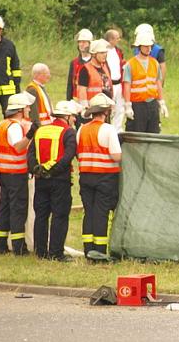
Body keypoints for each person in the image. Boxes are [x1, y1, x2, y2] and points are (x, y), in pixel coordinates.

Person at [28, 100, 79, 261]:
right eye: (73, 117)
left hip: (40, 179)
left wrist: (37, 169)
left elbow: (30, 153)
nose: (75, 120)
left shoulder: (41, 130)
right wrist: (53, 171)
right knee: (60, 216)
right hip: (59, 181)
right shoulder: (68, 132)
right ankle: (56, 253)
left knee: (41, 216)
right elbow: (68, 156)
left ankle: (40, 252)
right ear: (67, 116)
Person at [77, 93, 121, 260]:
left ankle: (88, 250)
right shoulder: (109, 129)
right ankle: (100, 252)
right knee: (101, 213)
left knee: (89, 212)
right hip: (105, 177)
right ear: (106, 112)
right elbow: (116, 156)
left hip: (86, 176)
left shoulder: (82, 129)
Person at [0, 91, 36, 255]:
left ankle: (0, 245)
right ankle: (19, 247)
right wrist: (30, 136)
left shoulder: (2, 124)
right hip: (16, 174)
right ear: (20, 110)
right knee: (18, 209)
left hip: (4, 173)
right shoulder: (16, 126)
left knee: (4, 208)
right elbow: (18, 146)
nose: (29, 110)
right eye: (27, 108)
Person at [122, 30, 168, 133]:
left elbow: (158, 83)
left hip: (152, 103)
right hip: (137, 105)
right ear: (139, 47)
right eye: (146, 46)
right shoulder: (131, 64)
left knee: (154, 133)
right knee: (137, 134)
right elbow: (127, 86)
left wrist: (162, 102)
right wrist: (127, 105)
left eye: (150, 46)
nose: (149, 49)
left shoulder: (154, 63)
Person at [77, 39, 113, 110]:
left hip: (106, 107)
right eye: (102, 53)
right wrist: (85, 108)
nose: (105, 55)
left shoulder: (105, 67)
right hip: (93, 108)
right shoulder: (85, 69)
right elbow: (82, 91)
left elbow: (109, 87)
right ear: (93, 54)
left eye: (105, 52)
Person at [104, 28, 126, 131]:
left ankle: (118, 128)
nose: (118, 40)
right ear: (110, 39)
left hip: (119, 83)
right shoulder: (103, 51)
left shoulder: (118, 51)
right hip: (109, 84)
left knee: (120, 107)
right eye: (117, 38)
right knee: (109, 107)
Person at [66, 29, 93, 101]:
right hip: (77, 101)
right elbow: (70, 85)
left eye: (84, 42)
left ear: (90, 44)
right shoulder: (74, 63)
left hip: (93, 100)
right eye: (79, 42)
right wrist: (68, 101)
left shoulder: (95, 61)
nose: (81, 44)